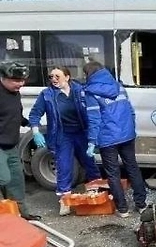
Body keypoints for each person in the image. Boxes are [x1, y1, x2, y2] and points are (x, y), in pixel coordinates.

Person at [28, 66, 102, 215]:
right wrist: (36, 131)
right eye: (51, 77)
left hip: (81, 133)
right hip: (62, 135)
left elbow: (94, 110)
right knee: (64, 166)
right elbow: (35, 114)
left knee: (89, 162)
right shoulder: (47, 95)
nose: (53, 79)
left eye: (57, 76)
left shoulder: (80, 91)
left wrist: (95, 137)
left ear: (67, 77)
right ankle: (64, 201)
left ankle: (97, 193)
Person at [82, 61, 148, 218]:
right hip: (127, 135)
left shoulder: (91, 93)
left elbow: (94, 119)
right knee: (132, 167)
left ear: (88, 75)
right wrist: (131, 129)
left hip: (107, 138)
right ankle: (141, 204)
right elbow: (130, 111)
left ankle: (123, 209)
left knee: (113, 174)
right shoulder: (119, 87)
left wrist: (91, 142)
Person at [0, 61, 39, 220]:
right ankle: (4, 214)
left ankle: (22, 215)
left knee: (16, 181)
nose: (20, 84)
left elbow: (14, 115)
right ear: (3, 78)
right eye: (16, 80)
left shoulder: (15, 94)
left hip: (11, 146)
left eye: (22, 80)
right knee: (4, 178)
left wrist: (30, 124)